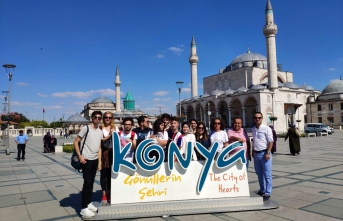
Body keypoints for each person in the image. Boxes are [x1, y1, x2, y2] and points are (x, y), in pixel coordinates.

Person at [73, 111, 103, 218]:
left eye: (99, 118)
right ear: (91, 118)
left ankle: (89, 203)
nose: (97, 119)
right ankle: (84, 208)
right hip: (86, 160)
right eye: (95, 117)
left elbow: (99, 147)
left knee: (91, 183)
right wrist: (80, 156)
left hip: (95, 160)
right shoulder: (86, 128)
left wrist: (99, 162)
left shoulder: (100, 131)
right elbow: (76, 142)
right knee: (87, 183)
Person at [252, 112, 274, 201]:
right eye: (256, 118)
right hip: (256, 154)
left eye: (259, 118)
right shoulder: (253, 129)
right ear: (254, 119)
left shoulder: (266, 128)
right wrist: (252, 152)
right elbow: (254, 142)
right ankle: (262, 190)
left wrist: (268, 153)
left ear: (262, 118)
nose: (257, 119)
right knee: (259, 173)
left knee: (267, 174)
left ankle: (268, 192)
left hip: (264, 153)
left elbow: (271, 141)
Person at [100, 111, 118, 202]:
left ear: (112, 119)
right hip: (104, 153)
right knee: (104, 174)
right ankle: (104, 193)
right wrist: (110, 134)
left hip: (113, 152)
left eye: (110, 117)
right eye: (106, 117)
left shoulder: (115, 128)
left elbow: (118, 140)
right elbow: (100, 140)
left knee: (111, 174)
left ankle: (110, 191)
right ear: (103, 118)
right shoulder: (100, 128)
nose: (108, 119)